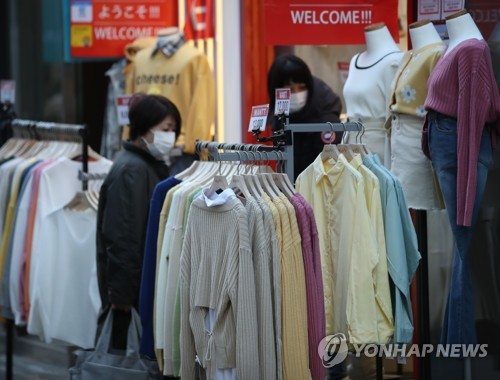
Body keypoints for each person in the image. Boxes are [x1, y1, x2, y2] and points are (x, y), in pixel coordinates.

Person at [96, 94, 181, 349]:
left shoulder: (143, 165)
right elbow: (123, 236)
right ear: (144, 128)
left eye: (174, 130)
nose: (171, 136)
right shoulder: (133, 170)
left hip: (136, 289)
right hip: (130, 296)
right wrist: (121, 295)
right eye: (165, 129)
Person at [267, 54, 343, 179]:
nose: (297, 94)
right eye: (290, 89)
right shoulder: (279, 113)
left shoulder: (327, 119)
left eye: (301, 88)